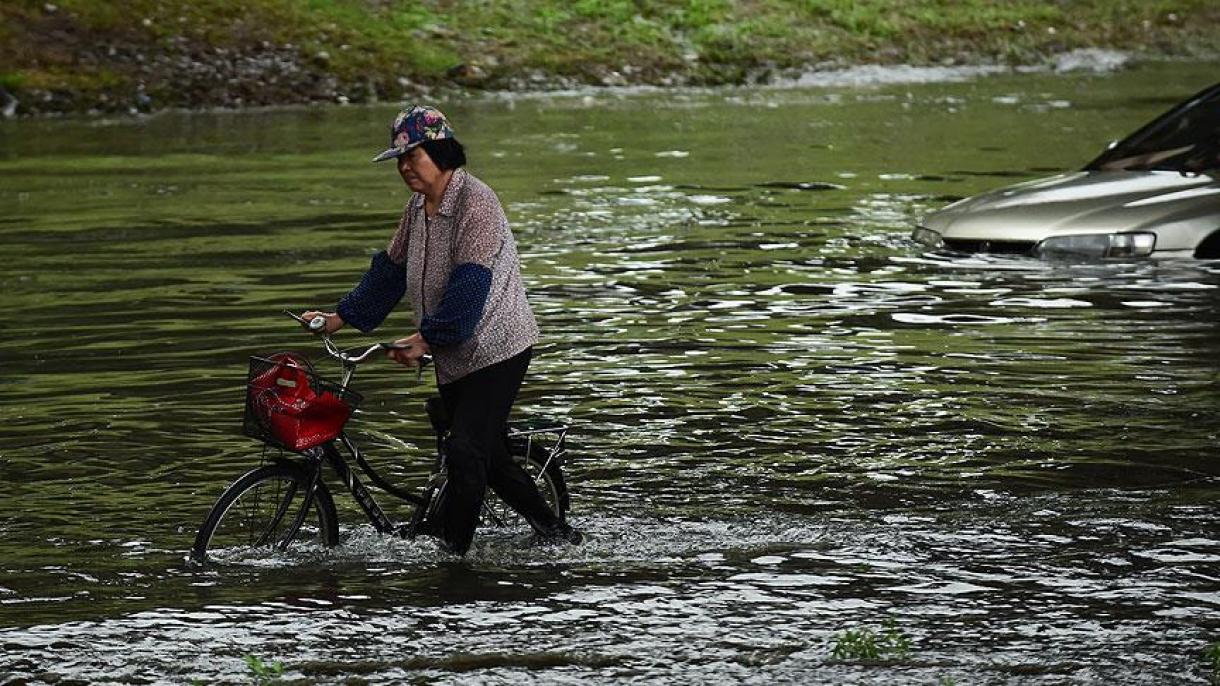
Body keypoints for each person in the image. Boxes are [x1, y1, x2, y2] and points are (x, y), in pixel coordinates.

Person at [302, 105, 581, 555]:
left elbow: (470, 285)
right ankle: (554, 529)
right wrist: (338, 317)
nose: (406, 167)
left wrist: (426, 338)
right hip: (454, 350)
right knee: (487, 454)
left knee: (466, 451)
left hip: (498, 346)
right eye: (400, 160)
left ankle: (454, 561)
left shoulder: (477, 203)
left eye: (415, 156)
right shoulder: (417, 208)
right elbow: (390, 272)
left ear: (443, 152)